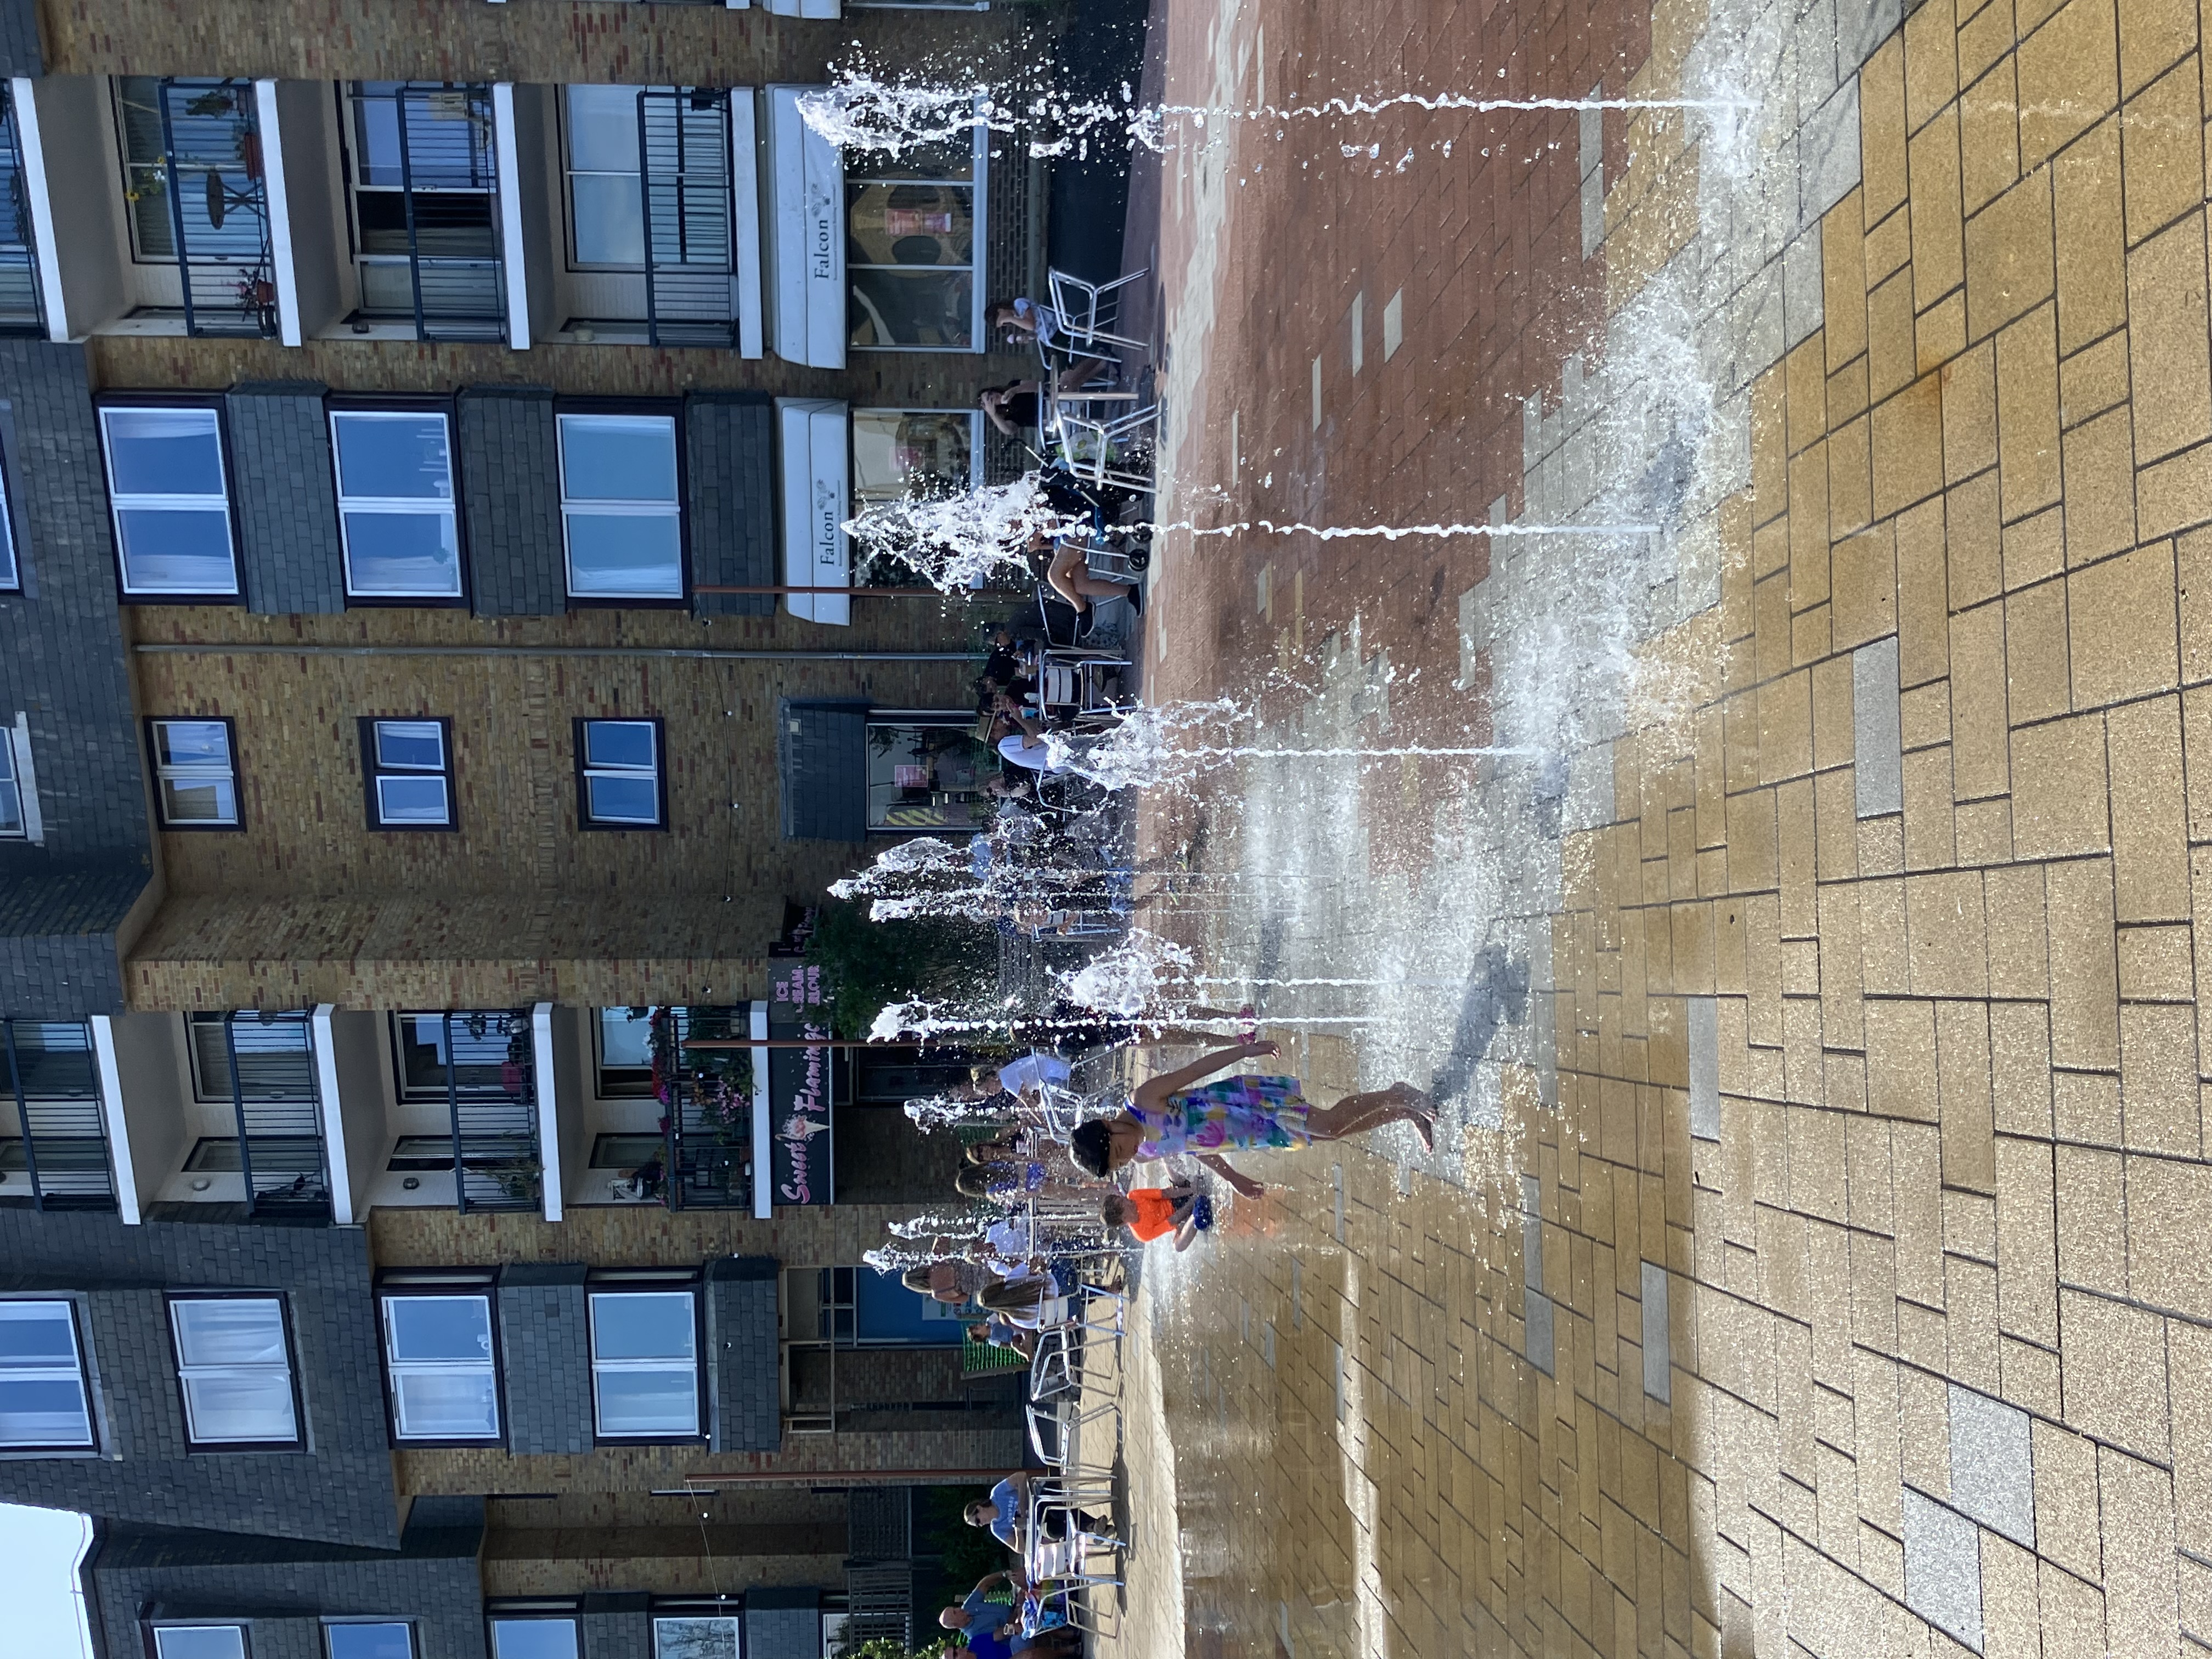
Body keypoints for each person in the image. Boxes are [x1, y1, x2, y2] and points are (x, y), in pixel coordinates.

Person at [1068, 1040, 1436, 1197]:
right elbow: (1195, 1147)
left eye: (1119, 1148)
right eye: (1121, 1161)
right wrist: (1233, 1179)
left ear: (1106, 1124)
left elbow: (1197, 1069)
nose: (1128, 1155)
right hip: (1246, 1133)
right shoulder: (1146, 1152)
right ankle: (1402, 1110)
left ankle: (1400, 1095)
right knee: (1330, 1134)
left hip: (1246, 1104)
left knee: (1329, 1125)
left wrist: (1246, 1049)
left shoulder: (1143, 1101)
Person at [964, 1471, 1115, 1552]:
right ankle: (1094, 1528)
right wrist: (1018, 1529)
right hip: (1039, 1524)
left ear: (979, 1508)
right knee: (1053, 1529)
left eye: (977, 1520)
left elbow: (1021, 1476)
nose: (981, 1524)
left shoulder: (997, 1494)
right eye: (977, 1526)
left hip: (1041, 1498)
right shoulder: (997, 1529)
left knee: (1054, 1510)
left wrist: (1023, 1506)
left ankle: (1094, 1529)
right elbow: (1020, 1550)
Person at [1102, 1176, 1211, 1251]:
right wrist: (1193, 1201)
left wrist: (1192, 1190)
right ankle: (1197, 1214)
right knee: (1178, 1246)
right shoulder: (1141, 1234)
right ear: (1124, 1217)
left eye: (1121, 1197)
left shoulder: (1133, 1195)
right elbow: (1172, 1220)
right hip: (1181, 1218)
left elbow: (1165, 1193)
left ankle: (1197, 1194)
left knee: (1167, 1163)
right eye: (1122, 1202)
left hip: (1177, 1196)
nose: (1125, 1198)